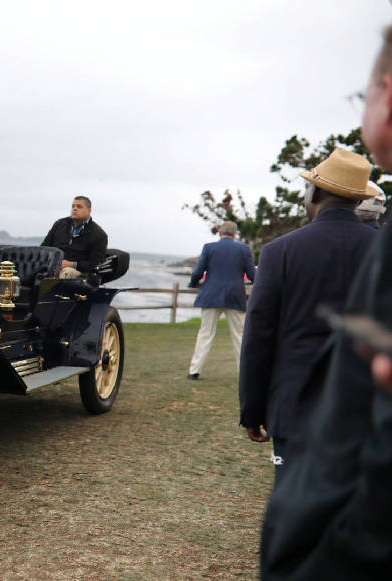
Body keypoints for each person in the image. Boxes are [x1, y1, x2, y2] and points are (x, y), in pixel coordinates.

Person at [259, 25, 392, 578]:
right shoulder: (376, 240)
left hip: (302, 401)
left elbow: (262, 330)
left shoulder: (284, 249)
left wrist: (252, 407)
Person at [238, 147, 377, 480]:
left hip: (294, 403)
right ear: (358, 201)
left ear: (314, 192)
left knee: (293, 501)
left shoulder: (279, 251)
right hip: (368, 403)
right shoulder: (382, 251)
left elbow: (259, 336)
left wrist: (253, 411)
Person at [186, 221, 255, 380]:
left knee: (205, 333)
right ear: (235, 234)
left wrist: (193, 283)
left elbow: (198, 271)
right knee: (239, 336)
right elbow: (252, 275)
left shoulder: (209, 248)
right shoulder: (243, 249)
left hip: (211, 295)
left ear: (220, 232)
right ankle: (244, 373)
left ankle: (194, 371)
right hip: (235, 296)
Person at [41, 196, 108, 278]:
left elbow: (96, 264)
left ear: (89, 211)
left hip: (79, 274)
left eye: (79, 207)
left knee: (66, 272)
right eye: (73, 206)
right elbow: (44, 248)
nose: (74, 209)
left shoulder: (98, 234)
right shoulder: (59, 224)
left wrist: (72, 264)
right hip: (53, 267)